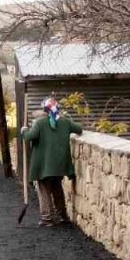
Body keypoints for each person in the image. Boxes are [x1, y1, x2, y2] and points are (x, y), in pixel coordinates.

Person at [21, 97, 84, 227]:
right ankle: (62, 216)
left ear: (44, 109)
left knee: (44, 190)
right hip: (60, 165)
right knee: (57, 189)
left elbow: (29, 137)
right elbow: (79, 129)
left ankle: (47, 218)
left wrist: (24, 130)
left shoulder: (39, 123)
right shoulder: (65, 122)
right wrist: (65, 118)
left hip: (44, 165)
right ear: (58, 109)